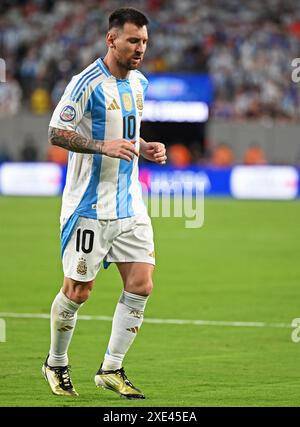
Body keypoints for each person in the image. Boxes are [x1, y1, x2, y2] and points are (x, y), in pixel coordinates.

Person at [42, 7, 167, 400]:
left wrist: (144, 147)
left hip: (130, 204)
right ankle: (56, 363)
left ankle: (111, 368)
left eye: (144, 42)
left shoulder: (140, 83)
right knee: (78, 292)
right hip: (89, 208)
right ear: (111, 40)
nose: (140, 49)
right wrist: (101, 146)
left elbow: (128, 133)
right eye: (133, 40)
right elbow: (56, 132)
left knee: (142, 284)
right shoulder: (86, 83)